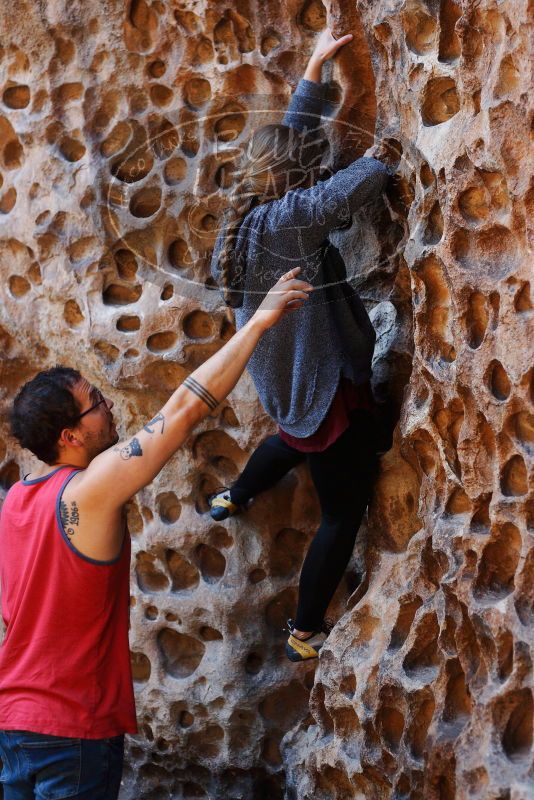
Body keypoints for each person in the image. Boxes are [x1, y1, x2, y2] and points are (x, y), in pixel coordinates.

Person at [0, 271, 312, 799]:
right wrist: (260, 322)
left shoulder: (14, 503)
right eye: (96, 402)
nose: (109, 406)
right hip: (72, 730)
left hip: (12, 720)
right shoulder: (86, 491)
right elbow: (185, 409)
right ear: (71, 436)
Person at [209, 28, 392, 662]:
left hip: (282, 379)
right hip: (318, 385)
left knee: (289, 435)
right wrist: (385, 152)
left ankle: (235, 493)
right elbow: (360, 180)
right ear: (297, 176)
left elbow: (288, 145)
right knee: (342, 512)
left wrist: (314, 69)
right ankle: (305, 628)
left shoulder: (243, 220)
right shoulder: (291, 221)